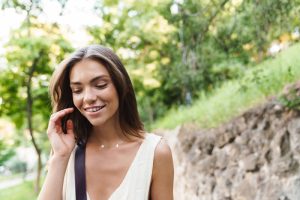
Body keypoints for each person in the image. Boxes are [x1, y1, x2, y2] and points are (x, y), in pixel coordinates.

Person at [38, 44, 174, 200]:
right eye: (77, 90)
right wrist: (60, 157)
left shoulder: (155, 152)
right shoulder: (67, 154)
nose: (88, 97)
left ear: (121, 86)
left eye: (100, 85)